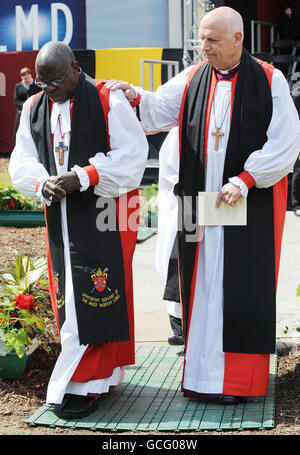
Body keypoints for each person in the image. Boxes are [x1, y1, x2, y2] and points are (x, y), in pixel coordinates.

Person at [105, 6, 300, 404]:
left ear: (238, 39)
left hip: (244, 202)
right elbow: (160, 109)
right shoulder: (194, 75)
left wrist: (245, 180)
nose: (204, 47)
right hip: (202, 201)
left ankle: (237, 382)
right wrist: (133, 96)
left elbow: (285, 142)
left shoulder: (269, 79)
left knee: (238, 285)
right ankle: (204, 378)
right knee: (204, 284)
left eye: (211, 40)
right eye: (201, 39)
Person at [9, 41, 148, 418]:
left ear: (74, 69)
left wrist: (83, 176)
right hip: (61, 219)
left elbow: (134, 156)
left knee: (96, 294)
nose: (48, 91)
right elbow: (21, 158)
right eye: (41, 84)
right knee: (70, 296)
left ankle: (85, 382)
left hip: (105, 213)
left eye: (54, 82)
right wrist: (42, 184)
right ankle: (101, 374)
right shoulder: (36, 106)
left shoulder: (107, 99)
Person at [155, 127, 184, 346]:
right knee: (175, 260)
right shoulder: (178, 133)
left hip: (213, 203)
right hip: (183, 203)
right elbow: (172, 172)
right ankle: (180, 324)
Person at [13, 67, 41, 142]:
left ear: (30, 75)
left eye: (27, 74)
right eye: (24, 75)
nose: (26, 77)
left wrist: (32, 106)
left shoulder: (37, 85)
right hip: (21, 112)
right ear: (21, 77)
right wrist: (25, 106)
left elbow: (40, 97)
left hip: (34, 111)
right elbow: (16, 100)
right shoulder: (18, 86)